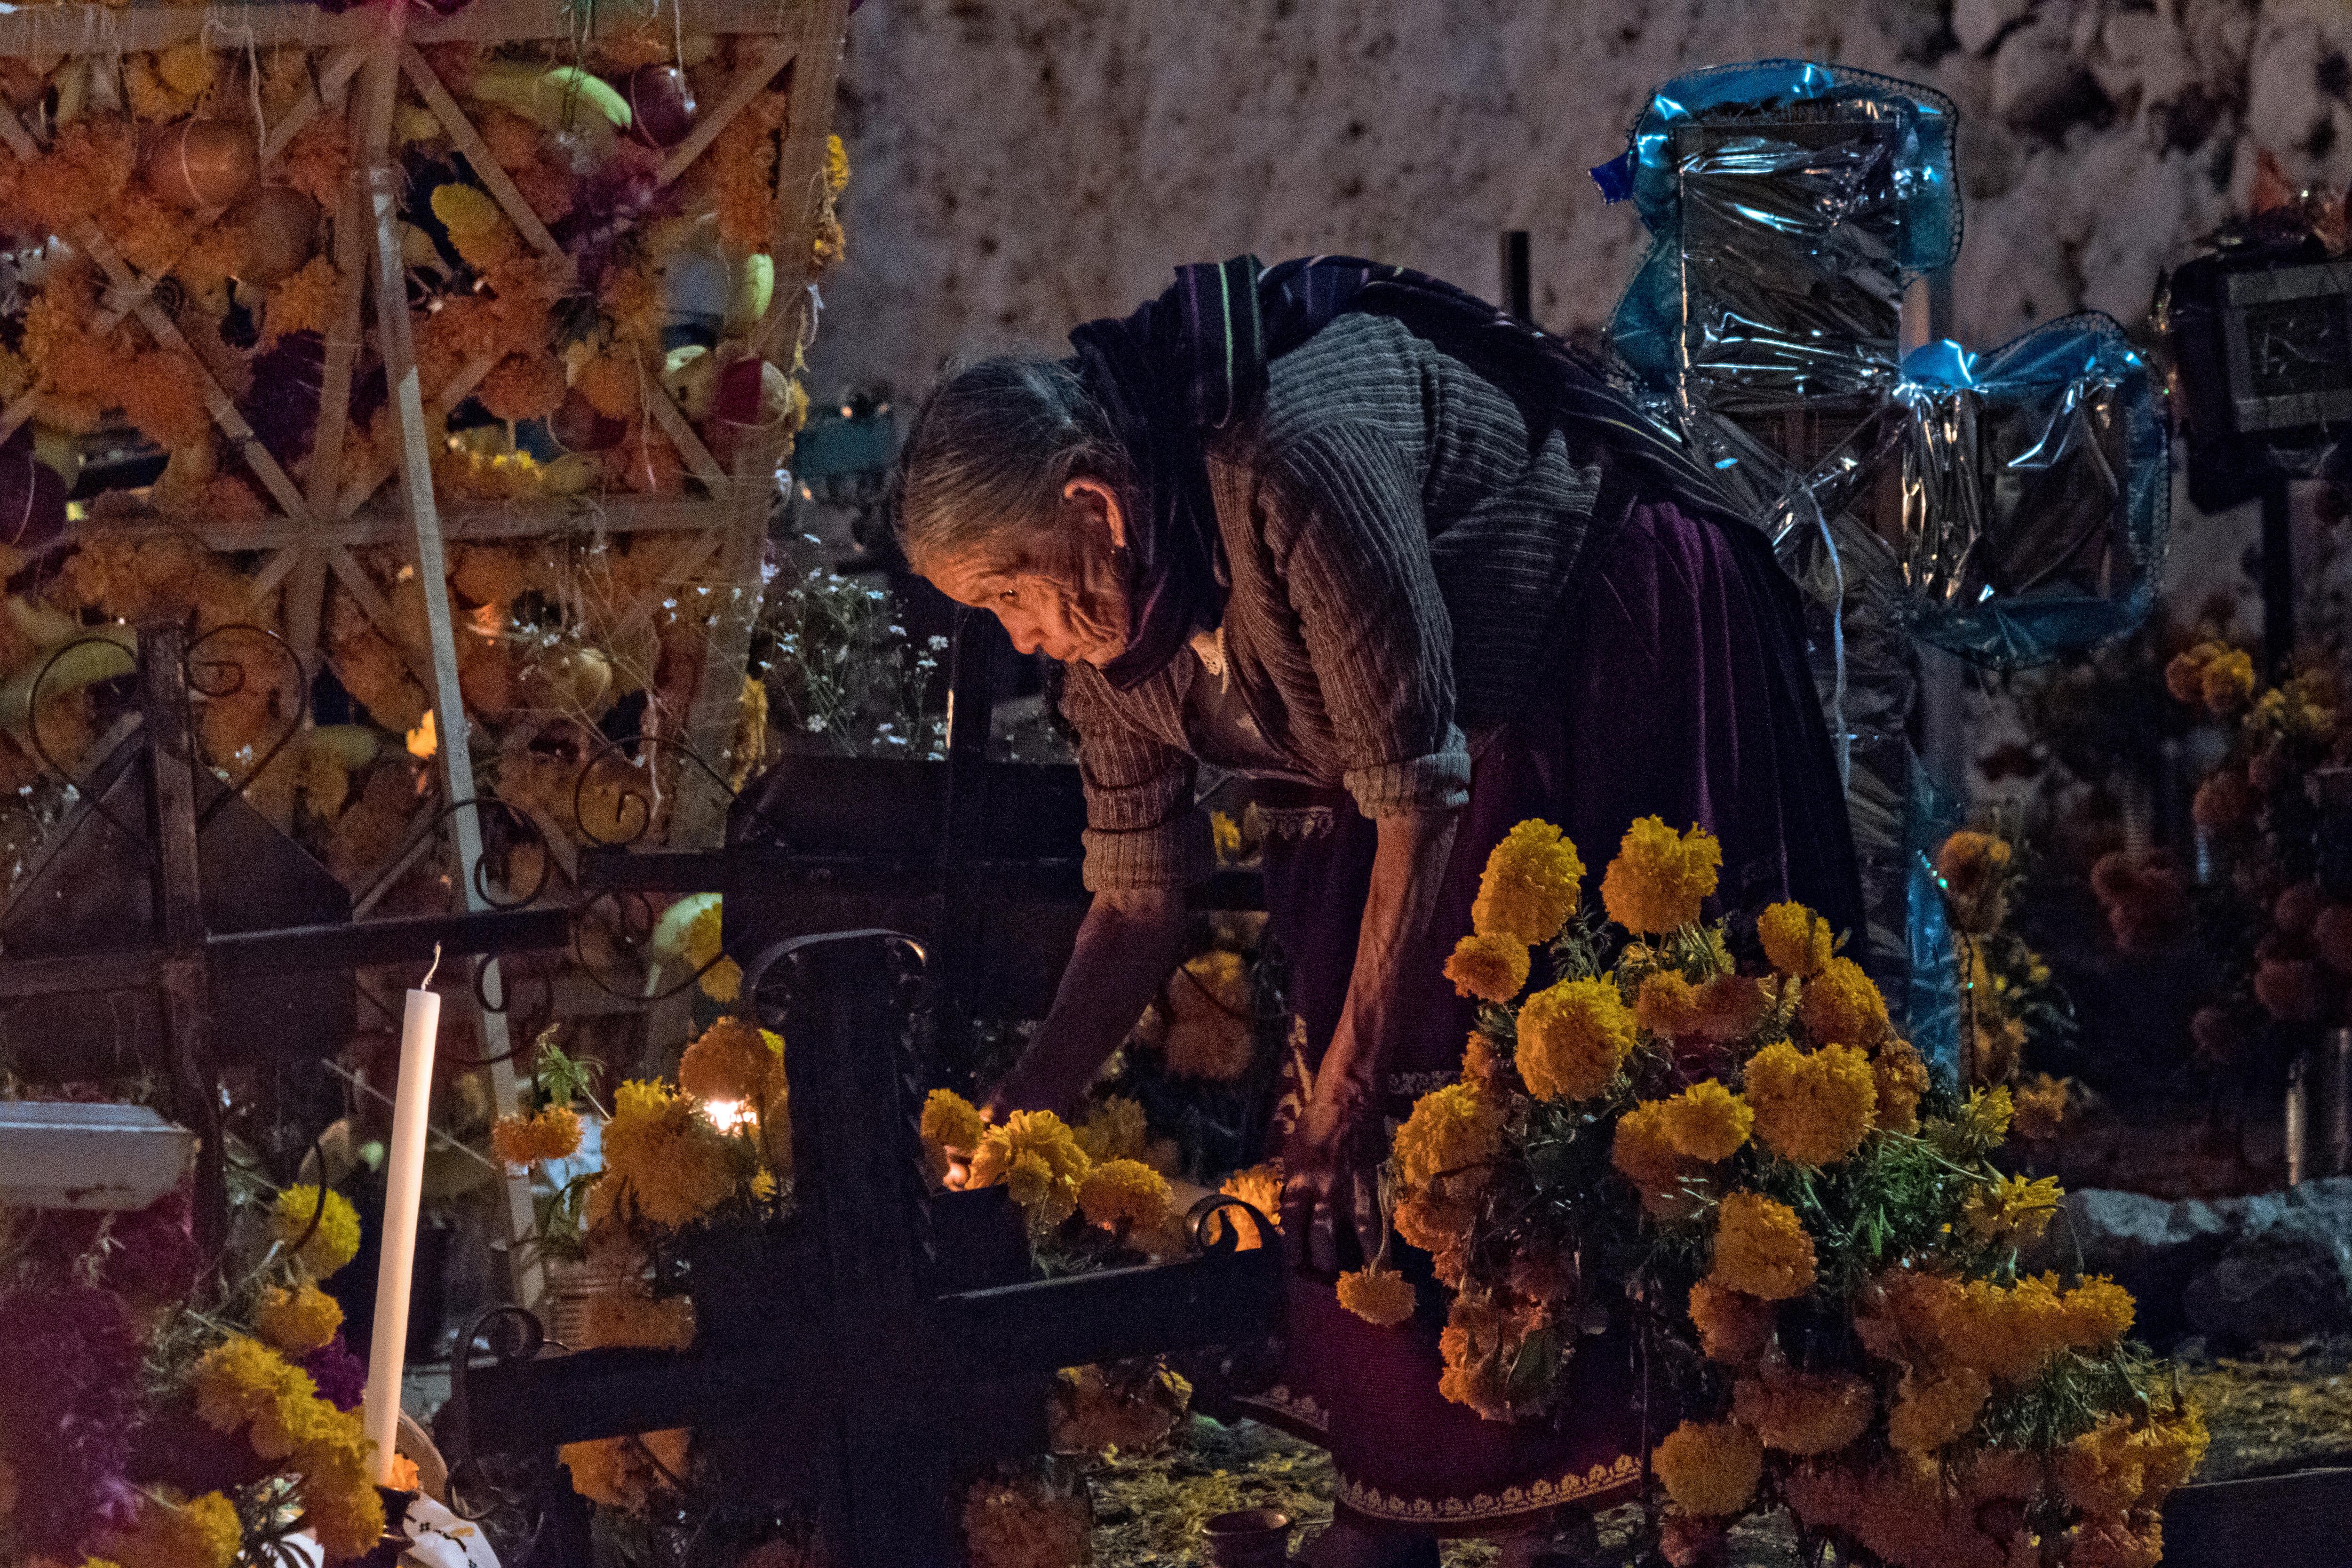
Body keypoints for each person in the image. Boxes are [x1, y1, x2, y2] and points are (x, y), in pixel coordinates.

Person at [897, 256, 1866, 1568]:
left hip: (1592, 641)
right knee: (1367, 1096)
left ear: (1092, 507)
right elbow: (1135, 902)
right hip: (1418, 747)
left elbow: (1417, 793)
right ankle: (1416, 1489)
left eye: (1008, 591)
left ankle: (1583, 1497)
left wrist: (1345, 1091)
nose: (1017, 638)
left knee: (1533, 1059)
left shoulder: (1291, 467)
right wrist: (1023, 1110)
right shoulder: (1113, 647)